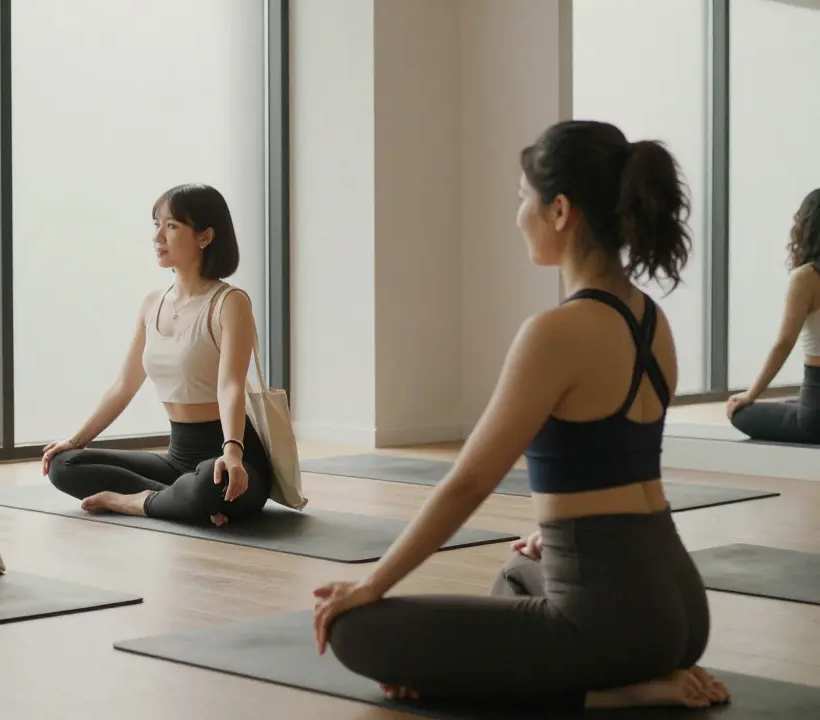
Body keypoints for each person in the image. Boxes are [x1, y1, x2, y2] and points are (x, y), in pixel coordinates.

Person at [310, 120, 731, 711]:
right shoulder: (651, 321)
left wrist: (373, 583)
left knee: (357, 631)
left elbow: (469, 482)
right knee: (515, 573)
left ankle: (621, 693)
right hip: (682, 609)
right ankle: (614, 671)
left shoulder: (554, 333)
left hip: (609, 624)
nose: (517, 215)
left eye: (520, 198)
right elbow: (611, 471)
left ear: (559, 210)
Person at [40, 183, 272, 528]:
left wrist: (233, 452)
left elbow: (231, 387)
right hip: (177, 459)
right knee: (64, 465)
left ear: (205, 236)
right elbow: (124, 385)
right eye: (156, 224)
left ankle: (138, 502)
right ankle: (177, 499)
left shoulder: (230, 302)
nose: (157, 236)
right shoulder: (153, 303)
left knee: (211, 480)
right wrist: (75, 440)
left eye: (172, 226)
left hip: (230, 460)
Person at [726, 188, 820, 444]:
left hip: (816, 416)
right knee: (792, 402)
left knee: (742, 412)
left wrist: (750, 394)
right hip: (813, 401)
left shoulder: (807, 277)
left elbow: (783, 344)